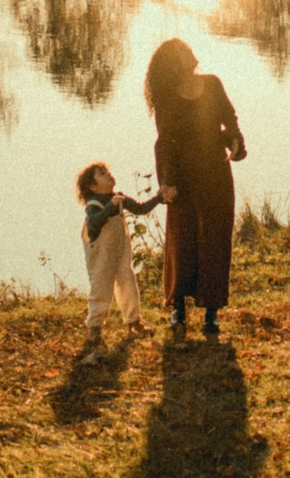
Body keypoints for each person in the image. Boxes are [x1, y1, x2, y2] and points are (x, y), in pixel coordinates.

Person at [146, 37, 245, 337]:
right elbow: (165, 142)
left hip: (216, 171)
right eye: (183, 52)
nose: (190, 53)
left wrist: (235, 140)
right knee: (182, 240)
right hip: (183, 176)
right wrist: (167, 182)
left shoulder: (212, 84)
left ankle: (211, 314)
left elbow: (229, 120)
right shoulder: (167, 98)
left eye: (188, 49)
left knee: (216, 239)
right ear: (172, 63)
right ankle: (178, 308)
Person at [75, 160, 168, 337]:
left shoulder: (119, 198)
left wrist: (159, 198)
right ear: (93, 187)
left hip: (120, 252)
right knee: (101, 288)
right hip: (100, 254)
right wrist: (110, 206)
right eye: (102, 174)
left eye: (107, 171)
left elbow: (140, 209)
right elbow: (93, 224)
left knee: (128, 285)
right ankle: (95, 327)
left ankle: (134, 321)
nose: (108, 174)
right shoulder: (94, 204)